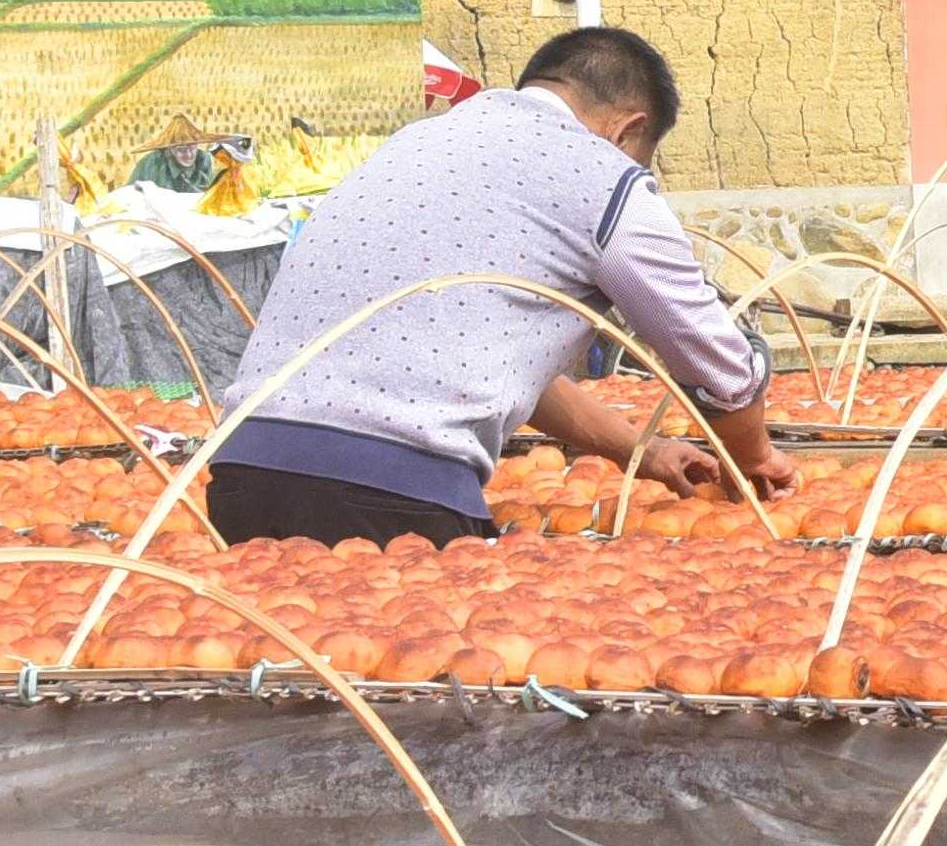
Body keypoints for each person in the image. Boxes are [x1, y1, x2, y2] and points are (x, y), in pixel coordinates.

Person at [198, 27, 797, 545]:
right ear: (627, 130)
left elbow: (492, 361)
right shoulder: (602, 177)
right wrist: (753, 463)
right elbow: (718, 367)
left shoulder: (414, 145)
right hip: (392, 492)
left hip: (244, 475)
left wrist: (643, 451)